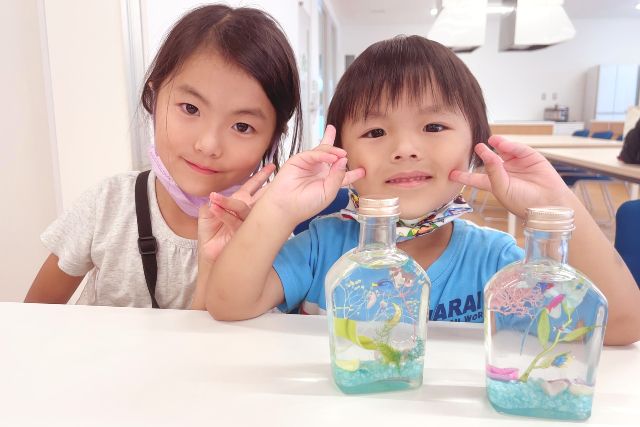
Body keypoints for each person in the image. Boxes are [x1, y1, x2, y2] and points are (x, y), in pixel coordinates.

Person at [200, 36, 640, 345]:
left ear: (474, 146)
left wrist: (556, 206)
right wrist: (279, 209)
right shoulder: (319, 246)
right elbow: (228, 305)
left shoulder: (497, 261)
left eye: (433, 126)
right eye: (375, 131)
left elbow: (621, 325)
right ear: (343, 155)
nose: (405, 149)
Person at [24, 5, 301, 308]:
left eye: (242, 126)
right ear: (154, 99)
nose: (208, 145)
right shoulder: (107, 205)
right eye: (190, 109)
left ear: (272, 141)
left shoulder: (270, 239)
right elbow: (36, 316)